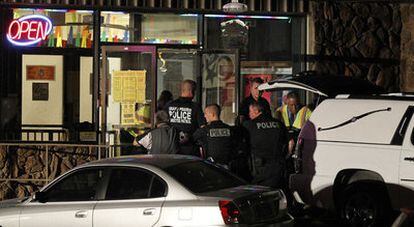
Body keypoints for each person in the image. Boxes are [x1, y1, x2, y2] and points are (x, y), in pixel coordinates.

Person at [242, 102, 287, 188]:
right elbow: (290, 143)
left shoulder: (248, 125)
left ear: (256, 111)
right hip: (278, 166)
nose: (249, 114)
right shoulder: (279, 123)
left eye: (250, 111)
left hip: (259, 169)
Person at [165, 80, 206, 156]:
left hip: (171, 147)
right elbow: (203, 127)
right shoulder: (195, 107)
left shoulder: (169, 105)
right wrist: (192, 138)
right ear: (191, 91)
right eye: (194, 91)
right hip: (190, 149)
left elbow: (163, 124)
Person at [193, 104, 234, 168]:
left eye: (206, 113)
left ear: (212, 114)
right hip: (228, 165)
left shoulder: (205, 130)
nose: (204, 116)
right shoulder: (229, 129)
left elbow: (193, 138)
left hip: (211, 166)